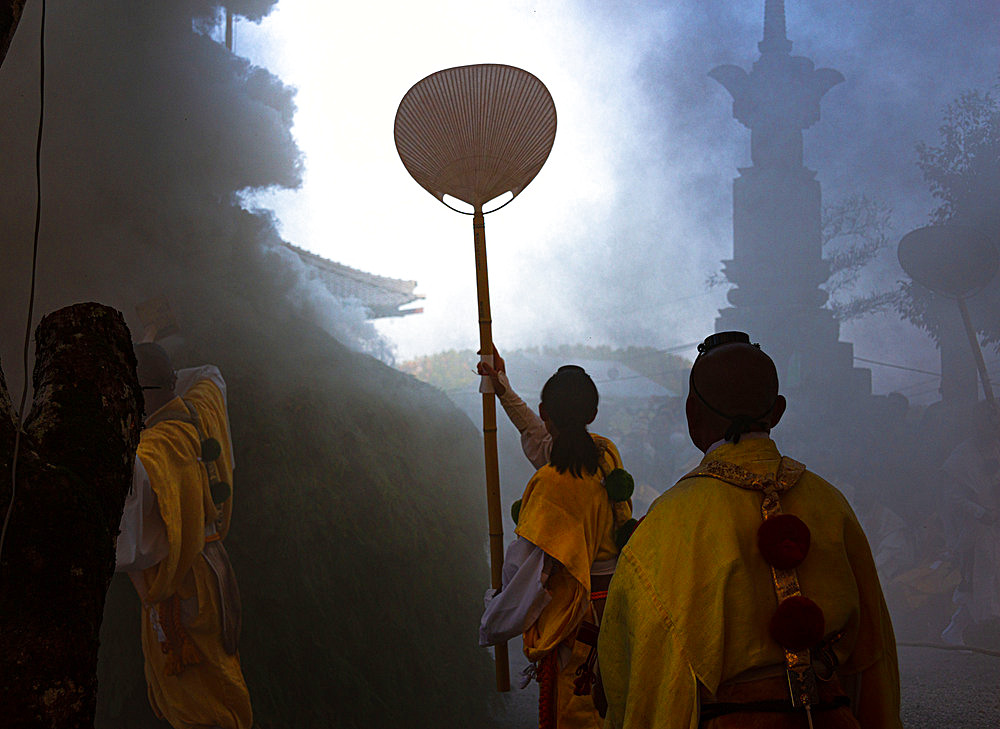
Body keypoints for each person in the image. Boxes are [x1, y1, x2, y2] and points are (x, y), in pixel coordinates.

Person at [598, 332, 901, 729]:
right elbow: (872, 659)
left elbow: (640, 675)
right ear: (777, 411)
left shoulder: (668, 522)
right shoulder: (832, 504)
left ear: (692, 414)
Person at [480, 363, 633, 729]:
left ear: (546, 413)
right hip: (619, 611)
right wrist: (503, 388)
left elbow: (526, 576)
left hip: (576, 622)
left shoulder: (551, 484)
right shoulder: (604, 455)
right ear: (593, 414)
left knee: (576, 714)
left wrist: (494, 614)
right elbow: (541, 438)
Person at [115, 342, 252, 729]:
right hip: (214, 568)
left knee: (198, 698)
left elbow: (129, 508)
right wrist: (153, 358)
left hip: (183, 585)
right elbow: (207, 372)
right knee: (218, 677)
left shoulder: (159, 448)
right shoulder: (203, 406)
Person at [940, 401, 1000, 646]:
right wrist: (979, 512)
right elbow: (953, 497)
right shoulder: (962, 456)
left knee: (993, 579)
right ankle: (963, 631)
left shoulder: (997, 449)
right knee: (981, 580)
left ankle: (956, 631)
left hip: (997, 525)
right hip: (977, 529)